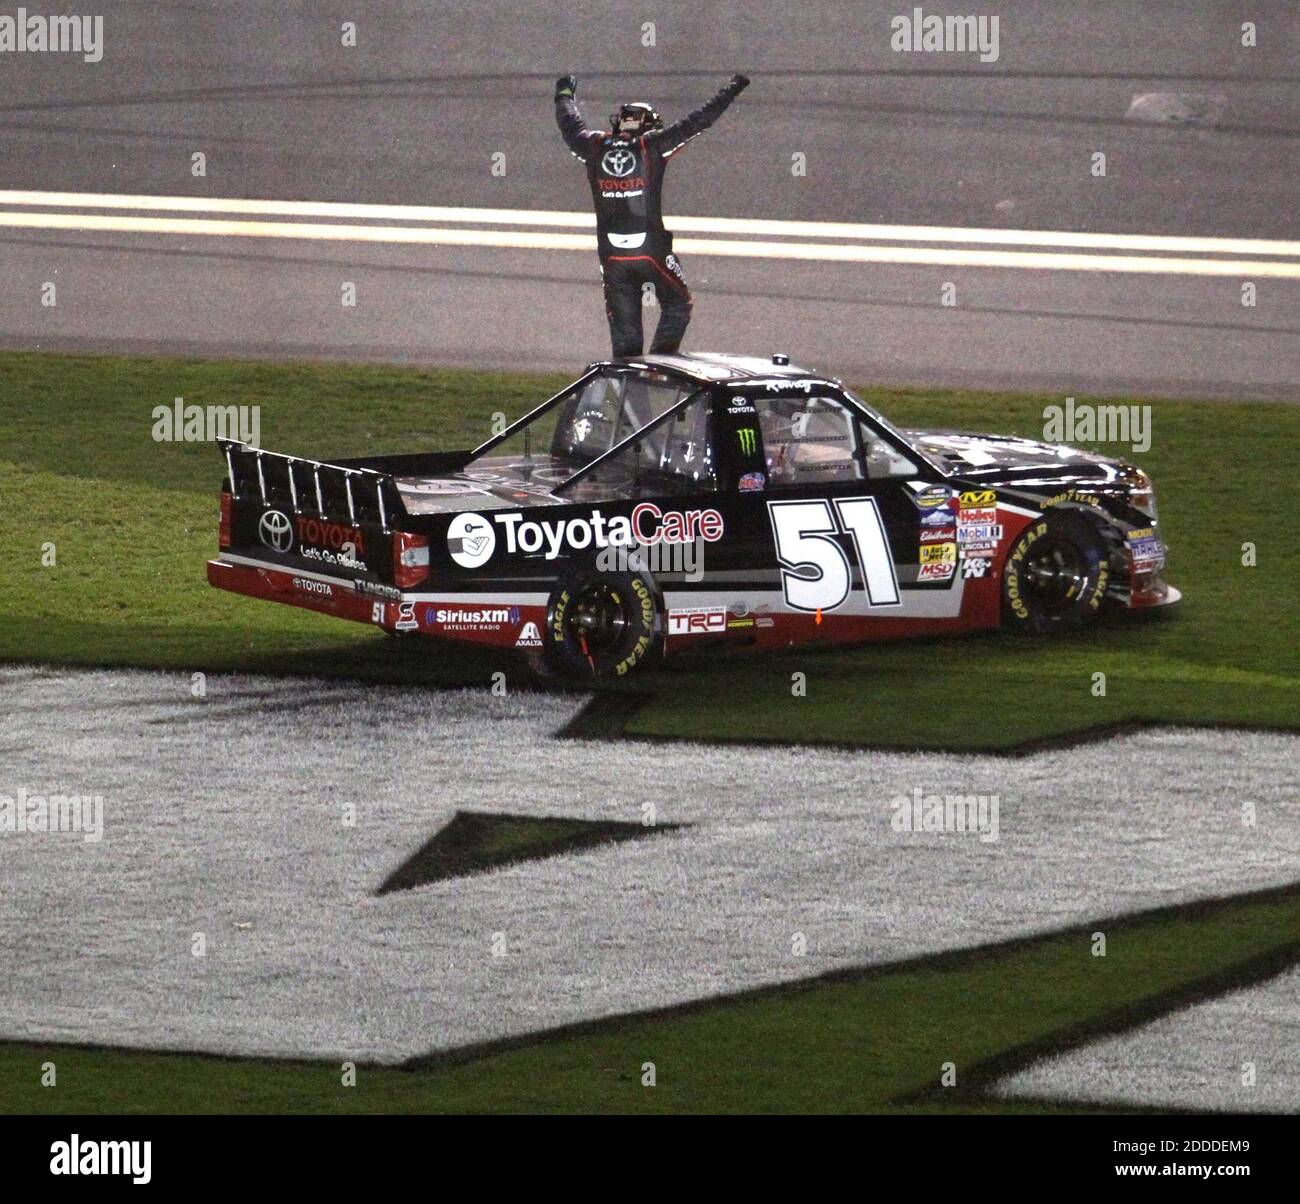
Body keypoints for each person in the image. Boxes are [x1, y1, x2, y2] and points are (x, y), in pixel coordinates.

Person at [554, 72, 749, 357]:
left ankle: (629, 392)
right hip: (651, 251)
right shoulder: (652, 146)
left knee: (626, 344)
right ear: (647, 129)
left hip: (611, 257)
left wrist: (563, 93)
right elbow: (699, 120)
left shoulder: (593, 146)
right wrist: (732, 89)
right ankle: (661, 370)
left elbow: (568, 123)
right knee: (678, 305)